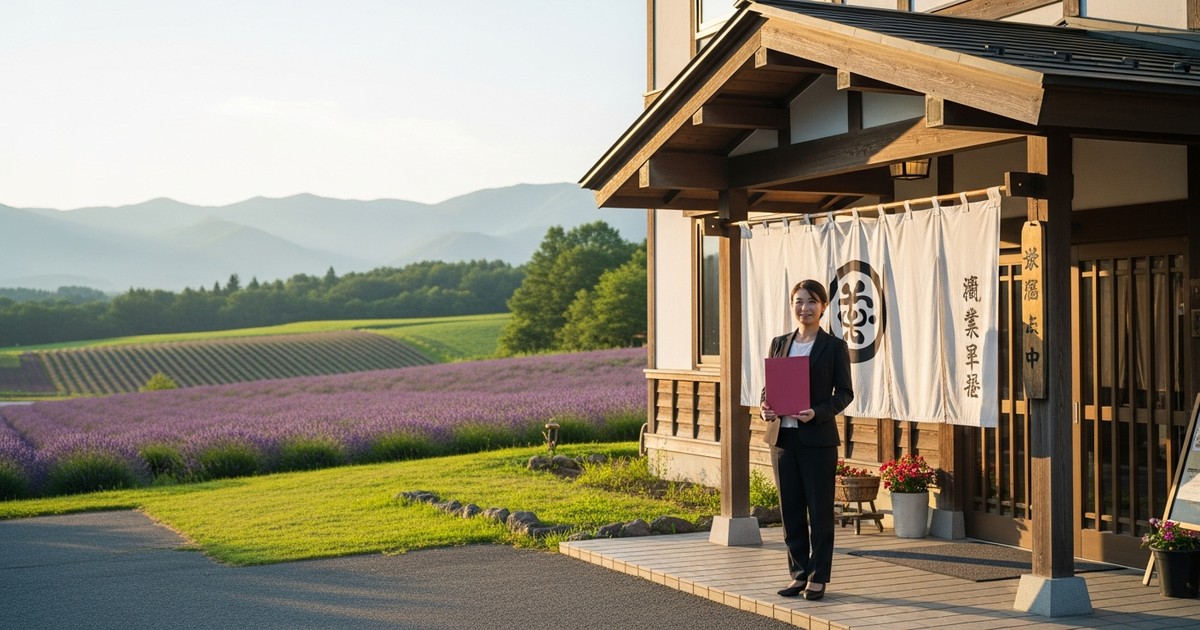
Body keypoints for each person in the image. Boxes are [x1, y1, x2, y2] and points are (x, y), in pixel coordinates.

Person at [760, 279, 854, 601]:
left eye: (812, 302)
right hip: (783, 439)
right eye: (799, 302)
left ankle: (818, 576)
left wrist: (817, 411)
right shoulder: (779, 343)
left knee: (819, 510)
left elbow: (845, 394)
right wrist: (765, 408)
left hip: (817, 440)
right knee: (791, 511)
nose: (805, 308)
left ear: (824, 306)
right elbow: (769, 389)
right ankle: (798, 574)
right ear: (792, 305)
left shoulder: (833, 346)